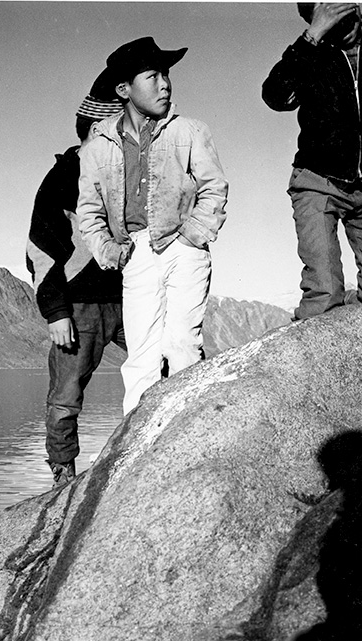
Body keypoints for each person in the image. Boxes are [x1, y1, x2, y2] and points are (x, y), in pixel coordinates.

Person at [77, 37, 228, 416]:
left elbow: (214, 188)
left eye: (166, 75)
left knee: (182, 347)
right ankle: (136, 447)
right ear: (124, 89)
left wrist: (192, 236)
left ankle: (188, 435)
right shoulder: (99, 145)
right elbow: (89, 212)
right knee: (141, 358)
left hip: (184, 248)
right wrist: (111, 251)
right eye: (153, 76)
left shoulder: (190, 131)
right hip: (136, 256)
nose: (165, 84)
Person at [26, 78, 126, 488]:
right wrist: (55, 311)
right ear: (97, 129)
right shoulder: (65, 174)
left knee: (171, 365)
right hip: (79, 306)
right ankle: (63, 477)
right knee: (66, 398)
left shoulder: (122, 171)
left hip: (130, 298)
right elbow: (40, 247)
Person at [262, 3, 362, 321]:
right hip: (317, 181)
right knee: (323, 291)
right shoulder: (314, 54)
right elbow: (276, 96)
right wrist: (312, 36)